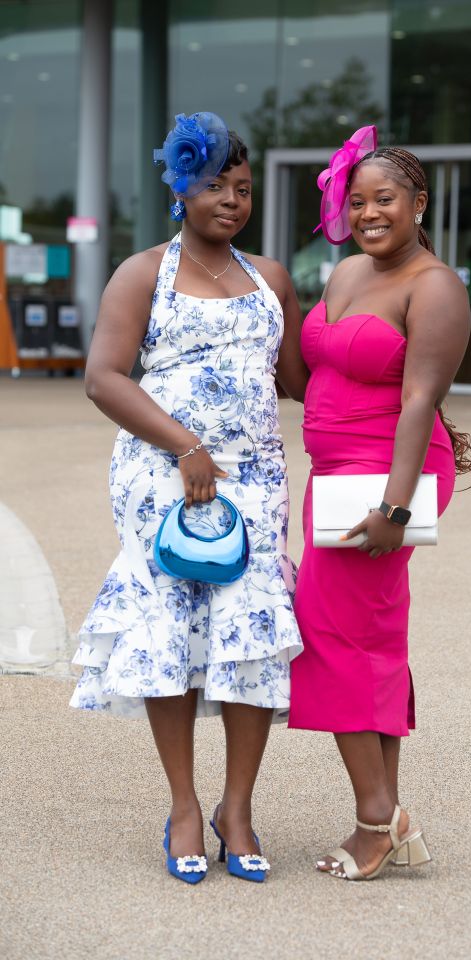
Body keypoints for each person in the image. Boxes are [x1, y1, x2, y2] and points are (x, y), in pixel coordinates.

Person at [69, 112, 308, 884]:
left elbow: (300, 380)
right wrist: (185, 446)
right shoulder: (143, 272)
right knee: (169, 630)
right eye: (214, 185)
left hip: (256, 477)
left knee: (249, 631)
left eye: (242, 189)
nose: (232, 200)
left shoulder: (271, 277)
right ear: (180, 188)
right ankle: (182, 804)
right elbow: (103, 377)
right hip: (163, 476)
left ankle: (236, 808)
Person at [288, 126, 471, 880]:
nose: (369, 213)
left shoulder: (435, 286)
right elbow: (315, 366)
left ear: (419, 203)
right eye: (358, 200)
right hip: (333, 480)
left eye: (386, 199)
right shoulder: (343, 275)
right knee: (365, 636)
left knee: (331, 632)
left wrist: (395, 512)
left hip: (388, 481)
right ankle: (383, 813)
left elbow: (421, 397)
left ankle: (379, 820)